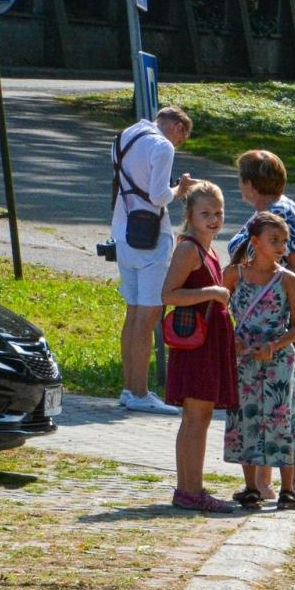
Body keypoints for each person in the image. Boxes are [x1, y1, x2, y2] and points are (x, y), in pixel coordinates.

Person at [230, 150, 295, 507]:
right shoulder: (274, 210)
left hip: (279, 327)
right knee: (260, 401)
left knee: (287, 399)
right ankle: (262, 482)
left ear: (249, 182)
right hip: (254, 330)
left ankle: (293, 480)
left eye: (241, 178)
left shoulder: (279, 214)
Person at [111, 105, 197, 415]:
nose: (178, 144)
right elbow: (159, 196)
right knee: (148, 316)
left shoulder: (124, 136)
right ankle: (140, 391)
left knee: (133, 312)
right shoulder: (161, 145)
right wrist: (180, 189)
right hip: (151, 238)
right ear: (177, 128)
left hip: (123, 231)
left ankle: (128, 387)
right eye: (181, 139)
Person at [160, 180, 239, 513]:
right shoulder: (188, 248)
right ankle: (189, 492)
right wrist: (211, 292)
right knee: (194, 417)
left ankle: (192, 489)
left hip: (210, 339)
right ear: (190, 215)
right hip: (195, 341)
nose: (213, 219)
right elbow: (168, 295)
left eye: (218, 213)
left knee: (201, 416)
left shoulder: (209, 248)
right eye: (205, 213)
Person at [223, 213, 295, 511]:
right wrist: (232, 340)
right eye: (274, 240)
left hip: (277, 361)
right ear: (255, 241)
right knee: (246, 417)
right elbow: (219, 314)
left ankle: (287, 488)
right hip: (244, 359)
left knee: (280, 418)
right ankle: (251, 487)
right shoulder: (233, 274)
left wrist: (274, 345)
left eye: (284, 241)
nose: (281, 247)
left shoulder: (288, 279)